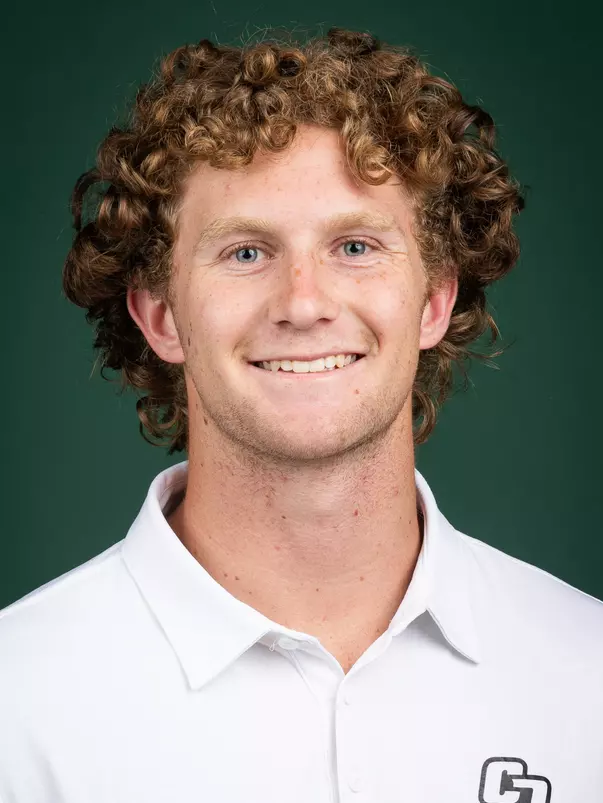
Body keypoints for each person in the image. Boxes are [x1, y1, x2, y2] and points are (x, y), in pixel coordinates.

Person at [0, 26, 601, 803]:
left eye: (355, 246)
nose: (304, 303)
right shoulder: (17, 704)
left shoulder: (586, 673)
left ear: (434, 299)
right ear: (160, 316)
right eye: (245, 252)